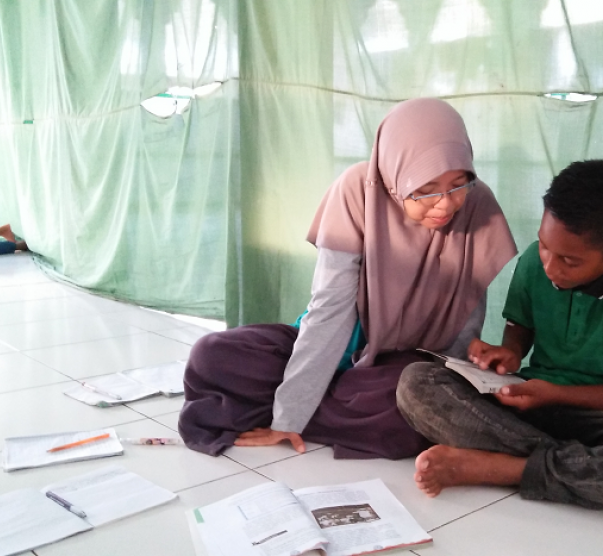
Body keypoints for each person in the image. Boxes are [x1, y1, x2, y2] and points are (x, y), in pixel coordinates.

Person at [179, 98, 517, 459]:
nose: (446, 204)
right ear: (395, 174)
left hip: (405, 362)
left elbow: (461, 324)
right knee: (212, 356)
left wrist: (463, 368)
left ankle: (316, 403)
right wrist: (289, 415)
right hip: (343, 341)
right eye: (426, 188)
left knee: (409, 402)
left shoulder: (478, 204)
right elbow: (330, 312)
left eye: (458, 184)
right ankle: (330, 405)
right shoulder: (358, 191)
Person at [397, 158, 603, 512]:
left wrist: (556, 393)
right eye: (544, 246)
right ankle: (601, 477)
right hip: (528, 410)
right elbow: (520, 328)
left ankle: (502, 467)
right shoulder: (533, 263)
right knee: (416, 382)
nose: (550, 266)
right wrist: (509, 353)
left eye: (569, 261)